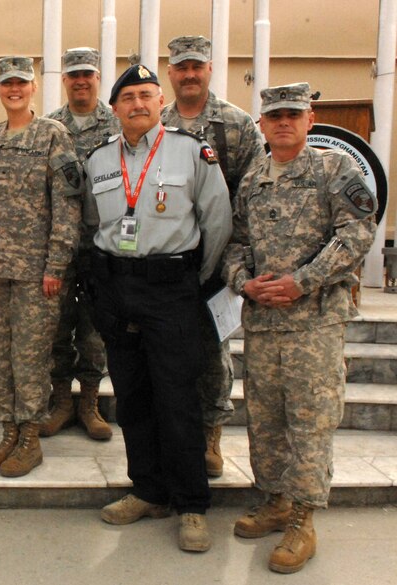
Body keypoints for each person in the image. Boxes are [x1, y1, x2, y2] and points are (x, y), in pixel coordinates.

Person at [223, 82, 376, 574]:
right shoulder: (252, 180)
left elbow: (357, 232)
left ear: (310, 120)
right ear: (262, 125)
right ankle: (274, 501)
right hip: (264, 322)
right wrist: (245, 283)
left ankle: (304, 519)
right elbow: (236, 244)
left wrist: (301, 282)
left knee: (310, 420)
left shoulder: (336, 169)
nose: (284, 122)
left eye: (293, 114)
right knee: (265, 419)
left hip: (315, 322)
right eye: (275, 116)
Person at [82, 64, 231, 552]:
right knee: (132, 396)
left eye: (147, 95)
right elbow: (91, 224)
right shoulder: (100, 159)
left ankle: (191, 504)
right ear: (115, 108)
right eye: (128, 98)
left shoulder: (191, 151)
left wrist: (192, 280)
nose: (138, 105)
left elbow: (217, 222)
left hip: (171, 290)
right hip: (117, 289)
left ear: (160, 101)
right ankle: (147, 490)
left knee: (177, 397)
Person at [0, 56, 82, 477]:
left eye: (21, 82)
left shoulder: (54, 135)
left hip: (37, 273)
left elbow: (67, 206)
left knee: (31, 357)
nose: (13, 89)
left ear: (33, 87)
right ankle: (8, 433)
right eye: (6, 83)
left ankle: (30, 437)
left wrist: (56, 264)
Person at [161, 35, 266, 477]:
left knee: (211, 351)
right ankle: (171, 433)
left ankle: (210, 437)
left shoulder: (236, 125)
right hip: (166, 260)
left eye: (196, 67)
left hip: (216, 260)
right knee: (166, 350)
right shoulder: (156, 121)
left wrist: (238, 259)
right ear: (171, 71)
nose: (189, 74)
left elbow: (255, 192)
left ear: (209, 70)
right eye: (181, 66)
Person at [42, 47, 119, 441]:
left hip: (102, 245)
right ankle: (61, 402)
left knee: (93, 329)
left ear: (98, 77)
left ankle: (89, 402)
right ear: (64, 80)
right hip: (59, 245)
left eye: (87, 74)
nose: (81, 81)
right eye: (73, 75)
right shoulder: (50, 126)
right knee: (56, 326)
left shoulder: (118, 123)